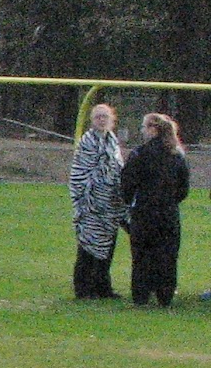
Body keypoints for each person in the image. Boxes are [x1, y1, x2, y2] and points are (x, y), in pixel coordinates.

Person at [119, 112, 190, 307]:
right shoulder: (177, 155)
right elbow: (183, 189)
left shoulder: (139, 154)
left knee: (142, 255)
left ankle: (141, 295)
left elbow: (127, 184)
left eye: (144, 127)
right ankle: (165, 295)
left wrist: (129, 202)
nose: (142, 130)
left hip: (144, 211)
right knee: (167, 255)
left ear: (153, 129)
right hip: (168, 212)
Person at [69, 103, 127, 299]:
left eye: (105, 116)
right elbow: (80, 172)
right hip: (91, 203)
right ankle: (83, 288)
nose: (101, 120)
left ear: (112, 119)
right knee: (88, 246)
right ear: (92, 120)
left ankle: (103, 287)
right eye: (98, 117)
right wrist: (87, 199)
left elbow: (117, 167)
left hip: (111, 204)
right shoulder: (88, 141)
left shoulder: (112, 140)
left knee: (107, 246)